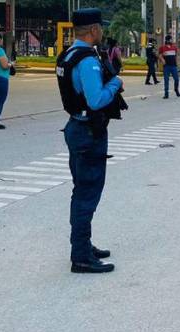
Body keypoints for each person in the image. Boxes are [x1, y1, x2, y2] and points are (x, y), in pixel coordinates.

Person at [55, 8, 127, 273]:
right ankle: (81, 256)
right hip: (88, 132)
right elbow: (96, 99)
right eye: (101, 28)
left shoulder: (68, 55)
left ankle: (83, 245)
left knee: (82, 191)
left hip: (76, 126)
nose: (102, 32)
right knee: (87, 194)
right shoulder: (87, 59)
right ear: (94, 29)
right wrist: (115, 84)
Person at [159, 34, 180, 99]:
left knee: (176, 79)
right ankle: (166, 94)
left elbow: (176, 55)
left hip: (174, 66)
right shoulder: (162, 48)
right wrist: (162, 60)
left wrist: (177, 62)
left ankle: (176, 89)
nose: (171, 41)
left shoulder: (174, 47)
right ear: (168, 40)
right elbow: (159, 55)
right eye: (171, 39)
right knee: (166, 80)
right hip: (166, 66)